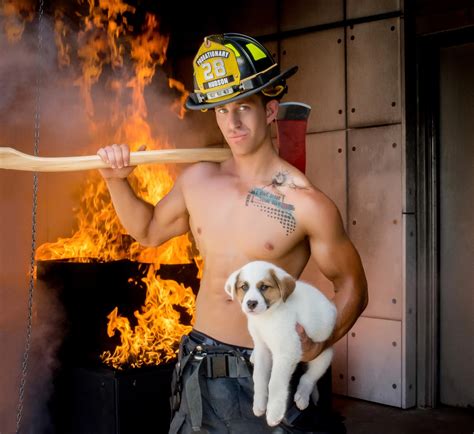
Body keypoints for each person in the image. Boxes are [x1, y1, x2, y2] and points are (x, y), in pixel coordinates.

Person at [97, 33, 368, 434]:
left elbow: (353, 287)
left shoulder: (306, 204)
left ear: (271, 110)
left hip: (262, 371)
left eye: (244, 108)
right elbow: (149, 231)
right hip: (197, 368)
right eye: (222, 111)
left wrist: (321, 342)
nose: (233, 123)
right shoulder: (199, 181)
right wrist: (115, 180)